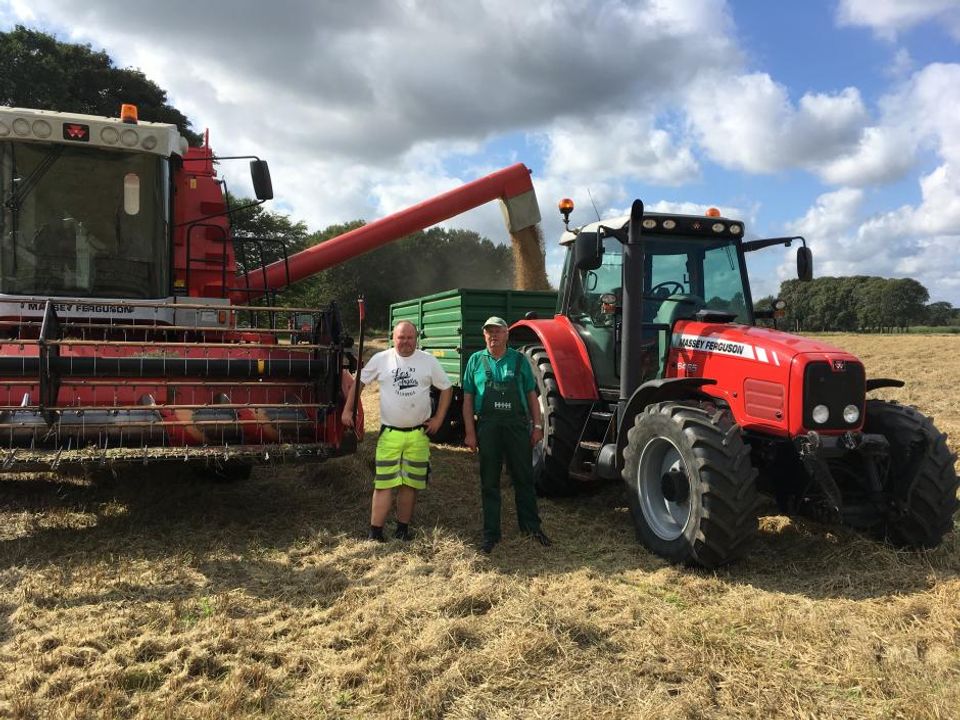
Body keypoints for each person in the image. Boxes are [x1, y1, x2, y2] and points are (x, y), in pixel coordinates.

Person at [342, 320, 453, 542]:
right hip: (390, 434)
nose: (405, 342)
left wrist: (439, 419)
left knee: (410, 484)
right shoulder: (381, 359)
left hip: (418, 435)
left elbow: (447, 388)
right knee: (384, 484)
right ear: (393, 338)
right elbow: (359, 383)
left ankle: (402, 531)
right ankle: (375, 533)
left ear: (416, 339)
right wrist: (348, 410)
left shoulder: (428, 361)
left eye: (410, 337)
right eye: (401, 337)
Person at [462, 316, 550, 554]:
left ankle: (531, 528)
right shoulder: (475, 361)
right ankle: (491, 533)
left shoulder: (519, 361)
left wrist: (538, 426)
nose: (493, 336)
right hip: (488, 427)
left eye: (498, 331)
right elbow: (468, 399)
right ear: (484, 335)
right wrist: (470, 432)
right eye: (489, 332)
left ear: (506, 335)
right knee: (489, 481)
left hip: (516, 427)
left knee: (524, 478)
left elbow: (532, 396)